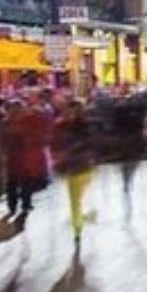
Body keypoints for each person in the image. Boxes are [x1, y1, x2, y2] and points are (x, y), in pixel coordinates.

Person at [52, 99, 98, 249]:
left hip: (82, 166)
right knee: (75, 198)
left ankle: (79, 223)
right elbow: (55, 144)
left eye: (74, 110)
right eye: (69, 110)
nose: (71, 113)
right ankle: (78, 224)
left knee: (76, 197)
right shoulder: (61, 125)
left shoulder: (85, 125)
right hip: (72, 166)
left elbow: (91, 143)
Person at [0, 99, 50, 222]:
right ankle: (24, 204)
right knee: (24, 182)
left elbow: (1, 140)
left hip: (15, 157)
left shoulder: (6, 122)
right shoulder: (23, 122)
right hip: (23, 156)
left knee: (14, 182)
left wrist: (2, 153)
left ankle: (13, 206)